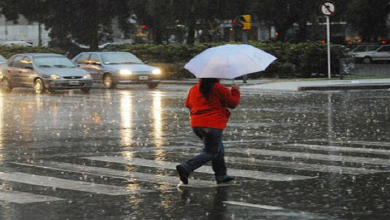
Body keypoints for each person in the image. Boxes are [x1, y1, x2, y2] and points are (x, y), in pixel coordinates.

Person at [176, 78, 240, 185]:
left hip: (197, 125)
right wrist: (235, 91)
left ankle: (221, 175)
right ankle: (187, 166)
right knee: (212, 152)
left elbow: (188, 104)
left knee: (219, 149)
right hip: (213, 124)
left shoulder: (194, 89)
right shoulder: (219, 88)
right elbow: (232, 104)